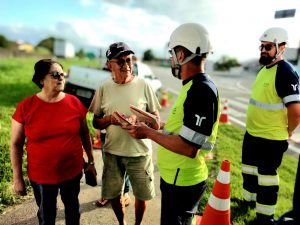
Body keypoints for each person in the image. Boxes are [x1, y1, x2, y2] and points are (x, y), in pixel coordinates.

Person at [123, 23, 221, 225]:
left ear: (182, 54)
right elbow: (184, 129)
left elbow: (188, 147)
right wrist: (153, 122)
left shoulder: (201, 90)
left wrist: (148, 133)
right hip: (176, 177)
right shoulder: (193, 86)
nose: (171, 58)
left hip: (183, 180)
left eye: (172, 52)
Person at [10, 59, 97, 225]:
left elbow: (85, 134)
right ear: (41, 80)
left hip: (71, 172)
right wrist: (17, 178)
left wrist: (91, 161)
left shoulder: (75, 103)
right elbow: (16, 144)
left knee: (73, 211)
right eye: (55, 74)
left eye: (63, 74)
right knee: (46, 216)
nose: (61, 78)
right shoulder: (26, 107)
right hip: (41, 176)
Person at [89, 42, 161, 225]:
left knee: (142, 195)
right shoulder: (104, 87)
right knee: (113, 194)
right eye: (120, 61)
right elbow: (95, 121)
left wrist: (141, 121)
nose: (126, 65)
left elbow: (156, 122)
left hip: (140, 153)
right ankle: (122, 223)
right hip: (113, 152)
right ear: (109, 65)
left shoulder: (144, 85)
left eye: (129, 60)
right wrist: (109, 120)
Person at [241, 27, 300, 225]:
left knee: (266, 180)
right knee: (248, 171)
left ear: (281, 48)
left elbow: (296, 112)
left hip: (271, 139)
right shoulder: (264, 69)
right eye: (262, 46)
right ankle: (247, 202)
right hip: (252, 134)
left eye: (268, 47)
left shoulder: (286, 72)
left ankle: (264, 218)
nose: (263, 50)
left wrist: (289, 131)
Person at [94, 129, 131, 207]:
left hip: (126, 133)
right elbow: (98, 116)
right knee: (108, 165)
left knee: (124, 163)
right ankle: (107, 193)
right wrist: (98, 128)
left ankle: (125, 192)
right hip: (106, 132)